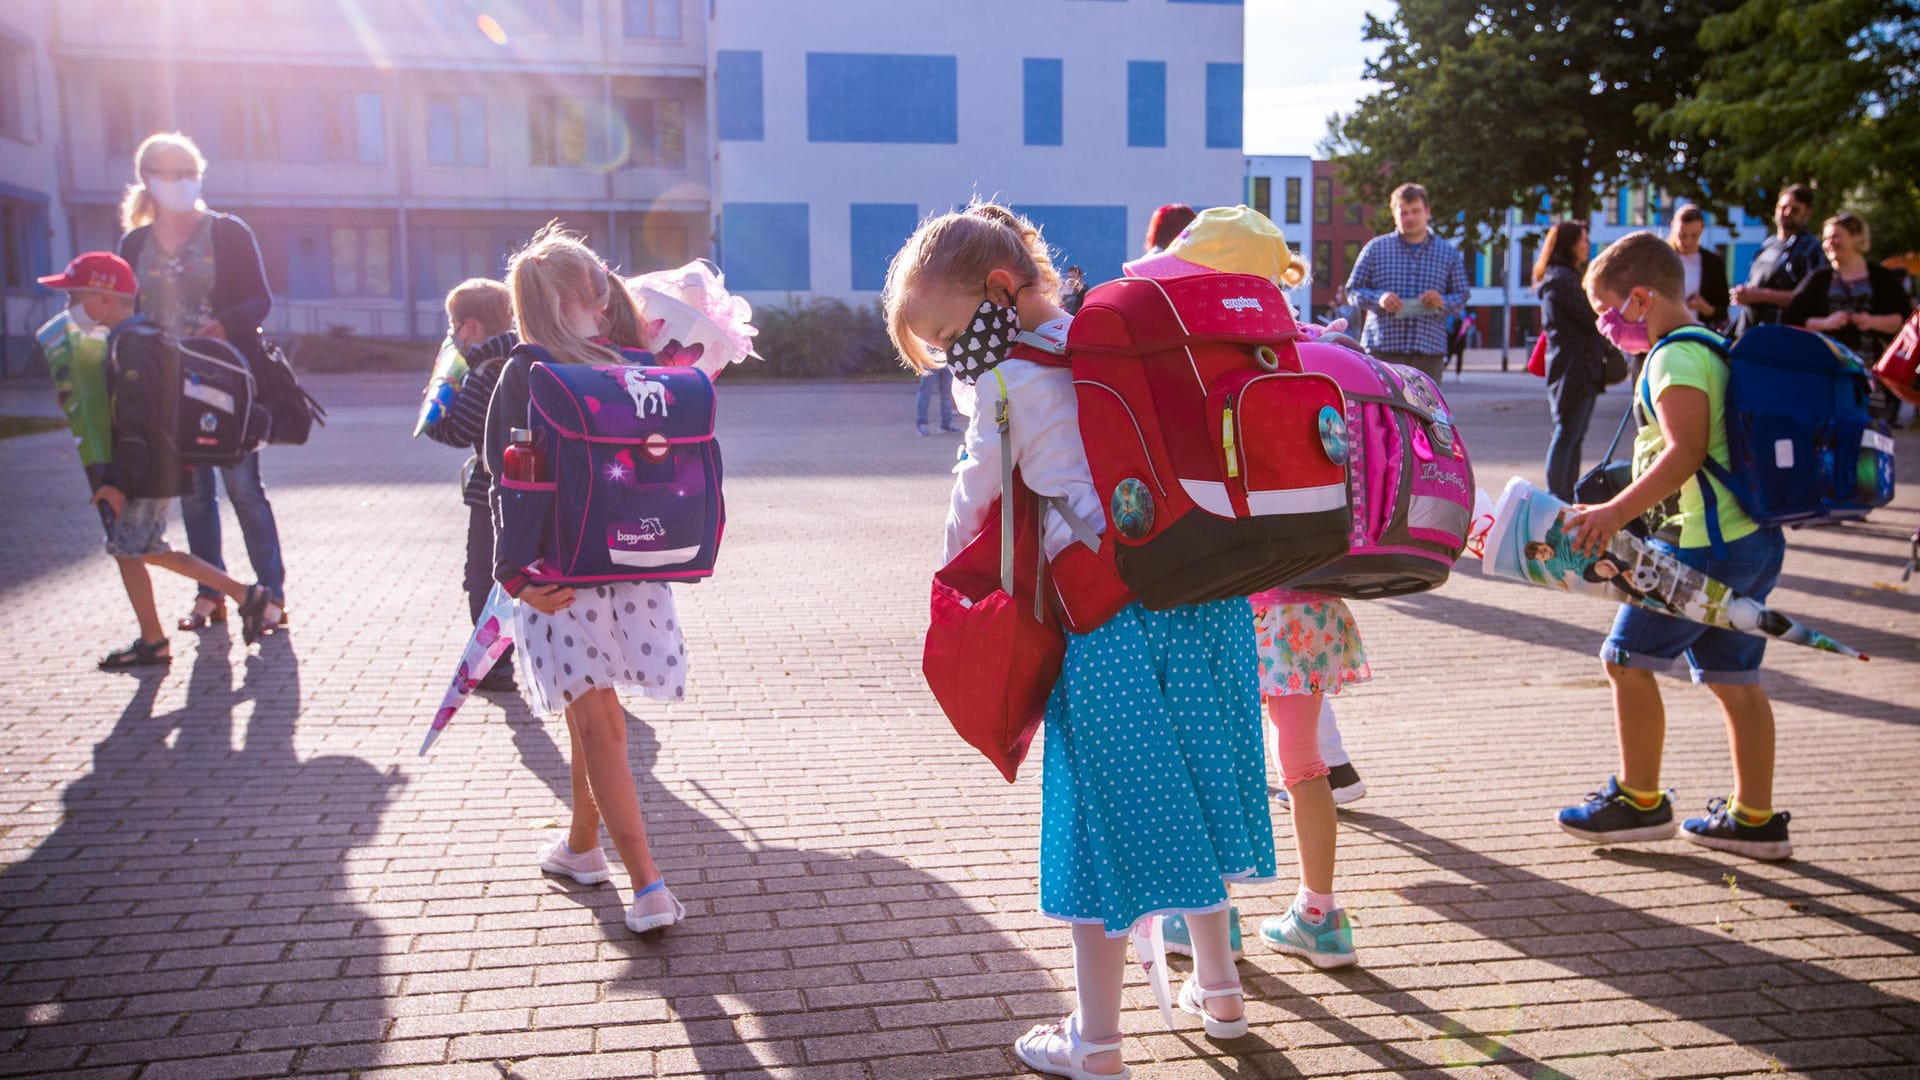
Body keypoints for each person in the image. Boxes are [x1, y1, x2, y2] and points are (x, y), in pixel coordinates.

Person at [886, 202, 1273, 1077]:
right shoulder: (1107, 338)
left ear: (996, 289)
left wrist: (950, 581)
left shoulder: (1003, 379)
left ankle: (1096, 1040)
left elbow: (974, 501)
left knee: (1100, 828)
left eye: (949, 334)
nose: (951, 355)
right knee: (1196, 804)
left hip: (1110, 620)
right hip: (1205, 599)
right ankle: (1223, 999)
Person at [1560, 231, 1792, 861]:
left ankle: (1639, 802)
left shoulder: (1673, 357)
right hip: (1745, 542)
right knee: (1734, 676)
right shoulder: (1709, 347)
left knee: (1626, 659)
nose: (1605, 326)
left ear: (1641, 298)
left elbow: (1684, 451)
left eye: (1608, 311)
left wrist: (1613, 512)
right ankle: (1755, 819)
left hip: (1702, 547)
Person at [483, 224, 689, 934]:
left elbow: (507, 483)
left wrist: (511, 574)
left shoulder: (528, 371)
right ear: (575, 298)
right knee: (594, 720)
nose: (603, 312)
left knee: (596, 723)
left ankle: (648, 884)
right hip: (630, 567)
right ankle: (580, 848)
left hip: (557, 575)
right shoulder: (624, 366)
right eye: (595, 299)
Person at [38, 252, 273, 668]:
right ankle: (241, 595)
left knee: (130, 549)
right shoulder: (140, 336)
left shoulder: (132, 344)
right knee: (144, 548)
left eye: (75, 297)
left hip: (144, 471)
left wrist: (117, 482)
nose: (70, 307)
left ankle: (157, 638)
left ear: (105, 298)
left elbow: (136, 421)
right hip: (157, 466)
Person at [117, 132, 287, 633]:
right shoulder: (134, 243)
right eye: (167, 172)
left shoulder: (228, 232)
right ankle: (210, 595)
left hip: (224, 381)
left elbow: (260, 298)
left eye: (187, 171)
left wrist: (228, 322)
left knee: (244, 489)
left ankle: (270, 594)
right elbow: (127, 310)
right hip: (164, 386)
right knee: (192, 494)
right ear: (147, 178)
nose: (178, 182)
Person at [424, 279, 520, 692]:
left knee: (482, 575)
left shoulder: (484, 372)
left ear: (469, 326)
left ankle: (494, 666)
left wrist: (434, 412)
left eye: (453, 324)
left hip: (491, 490)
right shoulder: (520, 359)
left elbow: (461, 430)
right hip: (525, 484)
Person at [1784, 212, 1915, 422]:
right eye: (1826, 238)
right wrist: (1825, 323)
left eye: (1836, 236)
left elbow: (1905, 323)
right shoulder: (1818, 279)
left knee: (1867, 436)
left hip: (1872, 376)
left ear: (1857, 237)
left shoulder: (1882, 278)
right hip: (1825, 373)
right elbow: (1791, 319)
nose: (1829, 243)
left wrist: (1871, 321)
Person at [1345, 182, 1472, 382]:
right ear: (1394, 214)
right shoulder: (1375, 249)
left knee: (1428, 413)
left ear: (1427, 211)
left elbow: (1462, 295)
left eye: (1415, 211)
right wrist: (1379, 299)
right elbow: (1352, 290)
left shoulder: (1448, 253)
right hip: (1382, 350)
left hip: (1429, 351)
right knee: (1381, 412)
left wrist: (1442, 302)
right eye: (1403, 212)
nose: (1410, 218)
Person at [1534, 221, 1608, 501]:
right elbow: (1591, 319)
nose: (1587, 245)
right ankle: (1557, 496)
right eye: (1583, 240)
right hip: (1573, 370)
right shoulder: (1562, 280)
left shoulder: (1563, 278)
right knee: (1567, 433)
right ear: (1569, 244)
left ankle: (1564, 495)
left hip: (1575, 368)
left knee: (1573, 435)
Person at [1729, 183, 1820, 337]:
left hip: (1784, 338)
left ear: (1807, 213)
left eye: (1795, 209)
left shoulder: (1810, 249)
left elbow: (1810, 299)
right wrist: (1744, 294)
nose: (1787, 212)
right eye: (1783, 207)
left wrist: (1760, 295)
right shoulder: (1767, 244)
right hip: (1749, 333)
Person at [1669, 205, 1729, 332]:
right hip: (1665, 332)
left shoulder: (1714, 263)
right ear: (1673, 226)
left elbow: (1723, 309)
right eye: (1682, 235)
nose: (1688, 241)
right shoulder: (1661, 259)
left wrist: (1705, 308)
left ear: (1702, 230)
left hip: (1699, 334)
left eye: (1694, 235)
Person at [915, 366, 957, 436]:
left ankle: (947, 423)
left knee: (947, 393)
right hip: (930, 361)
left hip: (946, 362)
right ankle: (922, 423)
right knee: (925, 392)